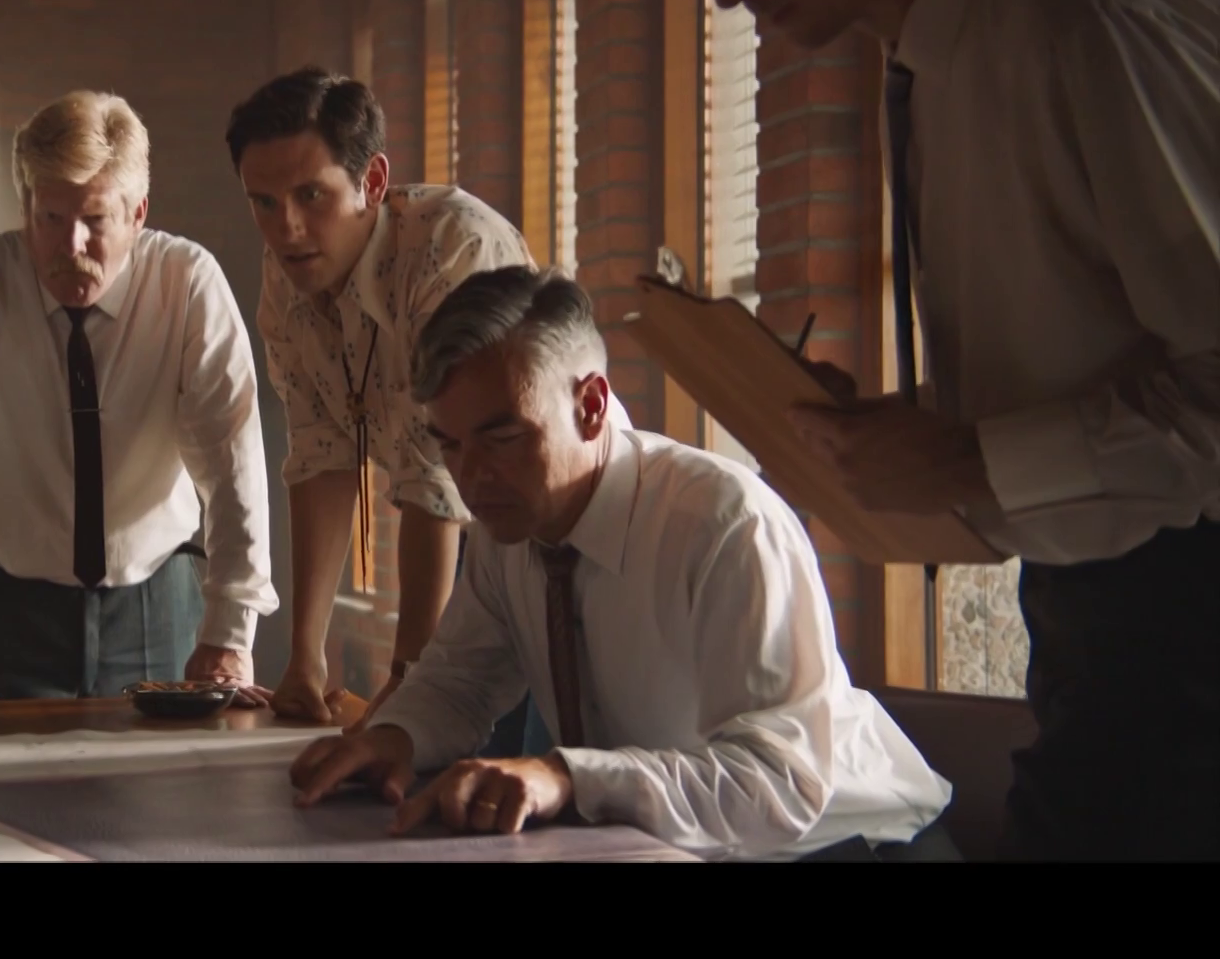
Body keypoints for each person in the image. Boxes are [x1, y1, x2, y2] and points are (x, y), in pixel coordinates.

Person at [712, 0, 1220, 861]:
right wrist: (897, 435)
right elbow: (1090, 363)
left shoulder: (1082, 28)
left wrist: (972, 462)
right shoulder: (937, 71)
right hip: (1089, 638)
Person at [288, 266, 954, 862]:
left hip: (849, 845)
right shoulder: (507, 524)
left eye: (503, 437)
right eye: (451, 446)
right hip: (667, 845)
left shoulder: (725, 526)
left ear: (591, 405)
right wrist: (394, 737)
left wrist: (568, 776)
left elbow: (781, 784)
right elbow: (463, 681)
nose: (473, 477)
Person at [224, 67, 629, 749]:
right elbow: (321, 458)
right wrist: (304, 658)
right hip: (459, 509)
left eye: (311, 195)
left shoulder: (452, 248)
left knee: (511, 763)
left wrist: (408, 689)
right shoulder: (286, 271)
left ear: (373, 181)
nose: (286, 228)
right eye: (263, 203)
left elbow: (437, 478)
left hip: (549, 523)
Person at [0, 89, 277, 715]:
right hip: (2, 609)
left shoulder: (187, 283)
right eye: (49, 218)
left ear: (137, 214)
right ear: (26, 207)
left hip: (156, 600)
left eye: (95, 220)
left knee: (174, 778)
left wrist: (231, 631)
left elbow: (234, 465)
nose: (70, 244)